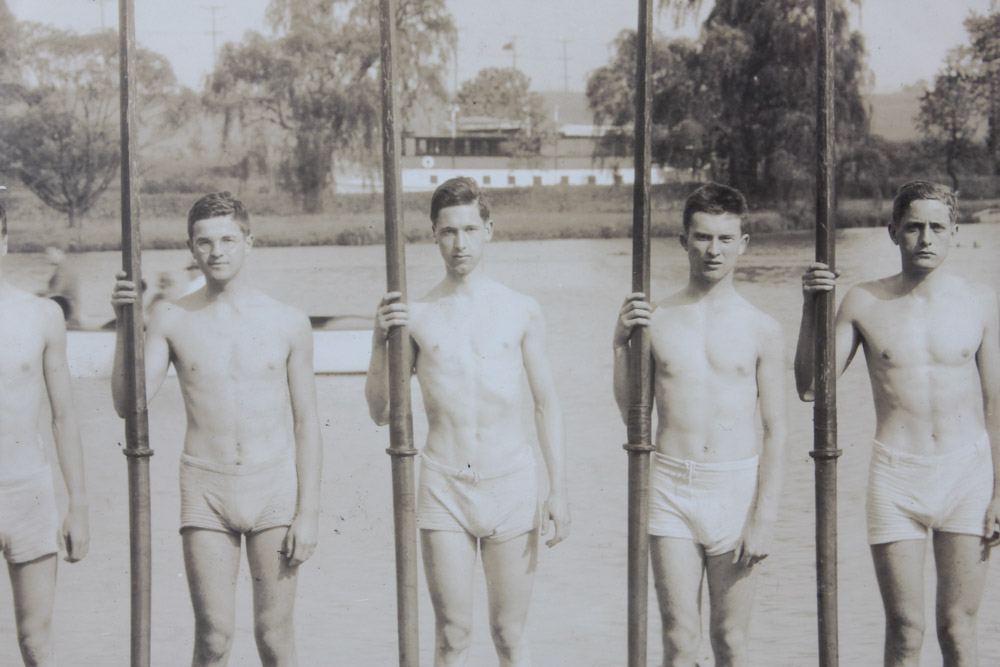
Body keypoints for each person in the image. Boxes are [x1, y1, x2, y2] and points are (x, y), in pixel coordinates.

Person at [110, 192, 322, 667]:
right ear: (191, 247)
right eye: (205, 242)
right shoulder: (170, 316)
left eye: (228, 239)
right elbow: (129, 405)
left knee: (274, 635)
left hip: (274, 488)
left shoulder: (287, 321)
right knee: (214, 638)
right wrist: (127, 323)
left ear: (250, 241)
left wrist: (308, 510)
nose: (217, 251)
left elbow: (307, 422)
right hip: (206, 487)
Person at [365, 176, 570, 667]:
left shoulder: (521, 310)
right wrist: (377, 342)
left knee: (509, 634)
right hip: (444, 487)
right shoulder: (416, 316)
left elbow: (547, 404)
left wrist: (558, 488)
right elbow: (381, 412)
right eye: (448, 231)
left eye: (470, 230)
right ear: (434, 235)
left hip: (511, 482)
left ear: (489, 231)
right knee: (453, 635)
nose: (460, 243)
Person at [795, 180, 1000, 666]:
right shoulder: (865, 300)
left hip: (967, 475)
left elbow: (997, 402)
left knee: (958, 628)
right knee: (906, 630)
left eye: (935, 227)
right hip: (896, 476)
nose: (925, 238)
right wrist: (811, 308)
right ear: (893, 233)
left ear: (954, 231)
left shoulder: (981, 300)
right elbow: (811, 388)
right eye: (913, 227)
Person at [613, 183, 787, 666]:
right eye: (703, 237)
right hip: (671, 488)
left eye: (726, 239)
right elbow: (634, 416)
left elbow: (776, 430)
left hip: (736, 489)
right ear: (683, 240)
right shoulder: (657, 319)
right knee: (678, 639)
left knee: (729, 640)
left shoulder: (763, 328)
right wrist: (619, 344)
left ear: (743, 243)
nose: (714, 250)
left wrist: (765, 517)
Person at [0, 205, 90, 665]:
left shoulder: (41, 315)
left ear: (4, 240)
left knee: (36, 643)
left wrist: (78, 504)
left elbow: (64, 416)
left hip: (28, 493)